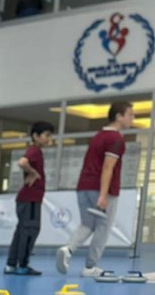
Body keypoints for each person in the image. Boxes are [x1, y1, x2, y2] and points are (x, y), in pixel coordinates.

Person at [56, 101, 135, 277]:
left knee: (87, 224)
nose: (133, 118)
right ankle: (90, 267)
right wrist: (103, 195)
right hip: (100, 189)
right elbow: (108, 168)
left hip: (83, 187)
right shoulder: (116, 139)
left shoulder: (98, 136)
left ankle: (68, 248)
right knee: (103, 227)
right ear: (118, 116)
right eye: (130, 114)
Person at [4, 120, 55, 276]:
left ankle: (11, 264)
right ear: (35, 136)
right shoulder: (34, 151)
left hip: (28, 199)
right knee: (30, 231)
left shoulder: (36, 151)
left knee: (21, 231)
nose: (48, 139)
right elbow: (22, 162)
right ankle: (23, 265)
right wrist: (33, 173)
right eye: (46, 135)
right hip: (30, 199)